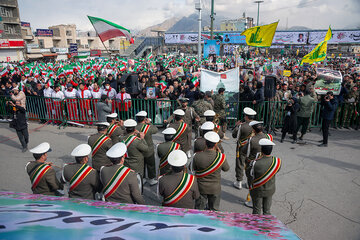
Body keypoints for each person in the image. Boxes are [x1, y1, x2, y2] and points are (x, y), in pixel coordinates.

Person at [193, 131, 229, 211]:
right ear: (216, 144)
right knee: (214, 211)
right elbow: (226, 169)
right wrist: (220, 156)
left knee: (199, 210)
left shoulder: (197, 156)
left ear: (205, 143)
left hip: (201, 187)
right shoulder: (221, 157)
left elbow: (192, 168)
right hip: (215, 188)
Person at [249, 138, 281, 215]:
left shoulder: (255, 163)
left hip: (258, 190)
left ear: (261, 150)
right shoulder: (277, 161)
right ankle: (266, 225)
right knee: (267, 211)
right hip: (270, 190)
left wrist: (255, 160)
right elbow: (277, 170)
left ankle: (256, 225)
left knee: (256, 210)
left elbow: (250, 175)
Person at [232, 107, 256, 190]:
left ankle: (239, 182)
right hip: (252, 148)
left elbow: (234, 135)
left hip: (242, 148)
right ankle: (250, 182)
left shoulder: (242, 126)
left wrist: (236, 126)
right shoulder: (256, 125)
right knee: (250, 165)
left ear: (246, 116)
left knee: (240, 164)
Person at [135, 111, 158, 185]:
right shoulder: (148, 127)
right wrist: (149, 123)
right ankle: (151, 178)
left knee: (142, 164)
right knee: (150, 164)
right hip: (148, 148)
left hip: (138, 149)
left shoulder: (134, 127)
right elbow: (156, 130)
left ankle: (143, 177)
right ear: (145, 119)